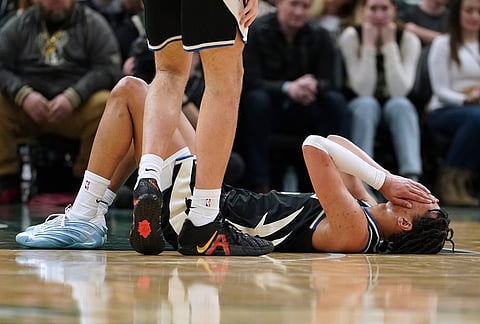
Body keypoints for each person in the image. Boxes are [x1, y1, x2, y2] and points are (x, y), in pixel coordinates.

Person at [16, 76, 452, 255]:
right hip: (209, 198)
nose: (422, 191)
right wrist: (384, 183)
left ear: (406, 224)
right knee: (150, 112)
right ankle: (88, 215)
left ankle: (85, 216)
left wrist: (384, 178)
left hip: (199, 216)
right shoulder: (366, 209)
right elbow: (339, 143)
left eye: (424, 202)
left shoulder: (358, 232)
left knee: (133, 91)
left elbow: (316, 146)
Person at [0, 0, 122, 204]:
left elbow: (109, 68)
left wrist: (74, 96)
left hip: (75, 110)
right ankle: (6, 181)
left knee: (104, 104)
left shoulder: (93, 23)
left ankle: (85, 183)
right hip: (27, 110)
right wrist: (23, 95)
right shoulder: (19, 24)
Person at [239, 0, 350, 193]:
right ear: (279, 4)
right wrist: (287, 88)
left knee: (335, 102)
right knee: (256, 101)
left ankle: (336, 182)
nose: (299, 12)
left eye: (305, 7)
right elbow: (250, 79)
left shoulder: (319, 35)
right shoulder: (258, 31)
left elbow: (331, 81)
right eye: (294, 4)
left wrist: (314, 84)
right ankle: (259, 184)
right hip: (271, 105)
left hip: (306, 105)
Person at [338, 0, 423, 182]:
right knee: (366, 104)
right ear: (363, 10)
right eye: (373, 8)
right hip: (360, 102)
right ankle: (362, 177)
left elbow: (400, 90)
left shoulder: (408, 39)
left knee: (401, 104)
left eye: (384, 9)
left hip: (394, 102)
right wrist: (368, 45)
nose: (379, 15)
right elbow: (363, 90)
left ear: (394, 10)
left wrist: (389, 45)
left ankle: (412, 176)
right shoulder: (351, 36)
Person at [424, 0, 480, 207]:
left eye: (479, 12)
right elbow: (440, 90)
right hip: (444, 110)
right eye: (469, 11)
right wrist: (467, 98)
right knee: (476, 117)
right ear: (458, 13)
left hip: (474, 109)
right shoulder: (443, 44)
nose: (475, 16)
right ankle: (449, 179)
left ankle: (465, 181)